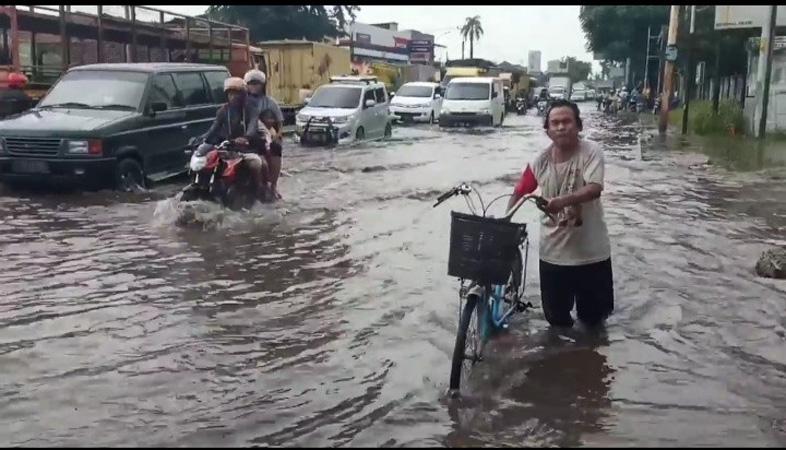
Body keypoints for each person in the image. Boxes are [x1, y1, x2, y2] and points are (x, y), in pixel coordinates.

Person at [508, 99, 614, 329]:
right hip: (553, 257)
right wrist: (504, 220)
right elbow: (520, 190)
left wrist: (562, 201)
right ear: (547, 130)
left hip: (591, 255)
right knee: (556, 323)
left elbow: (595, 188)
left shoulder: (591, 152)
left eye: (567, 121)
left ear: (579, 126)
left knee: (594, 323)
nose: (560, 127)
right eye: (554, 123)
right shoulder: (540, 162)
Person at [199, 77, 267, 196]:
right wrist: (201, 139)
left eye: (236, 93)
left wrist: (246, 138)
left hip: (247, 148)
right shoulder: (223, 111)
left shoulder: (251, 109)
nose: (233, 96)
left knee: (257, 163)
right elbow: (213, 129)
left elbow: (252, 126)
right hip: (227, 148)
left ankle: (259, 189)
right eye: (230, 93)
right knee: (207, 161)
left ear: (243, 95)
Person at [244, 69, 285, 199]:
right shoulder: (242, 102)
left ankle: (273, 185)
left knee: (276, 147)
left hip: (265, 137)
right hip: (245, 136)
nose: (254, 86)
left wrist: (276, 135)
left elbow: (279, 122)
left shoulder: (270, 102)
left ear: (263, 85)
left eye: (257, 83)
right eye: (251, 83)